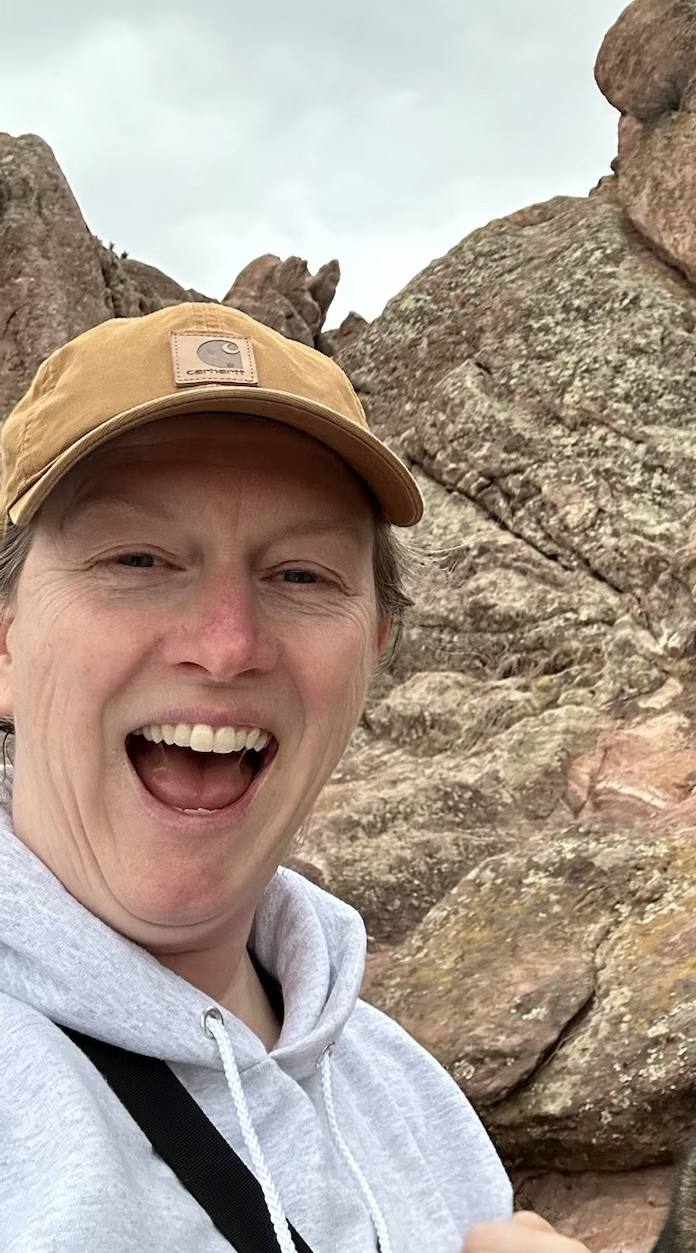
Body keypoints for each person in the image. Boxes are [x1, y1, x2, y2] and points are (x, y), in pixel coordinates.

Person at [0, 301, 588, 1253]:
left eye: (303, 576)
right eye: (138, 558)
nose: (227, 646)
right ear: (6, 640)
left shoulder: (409, 1096)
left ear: (374, 652)